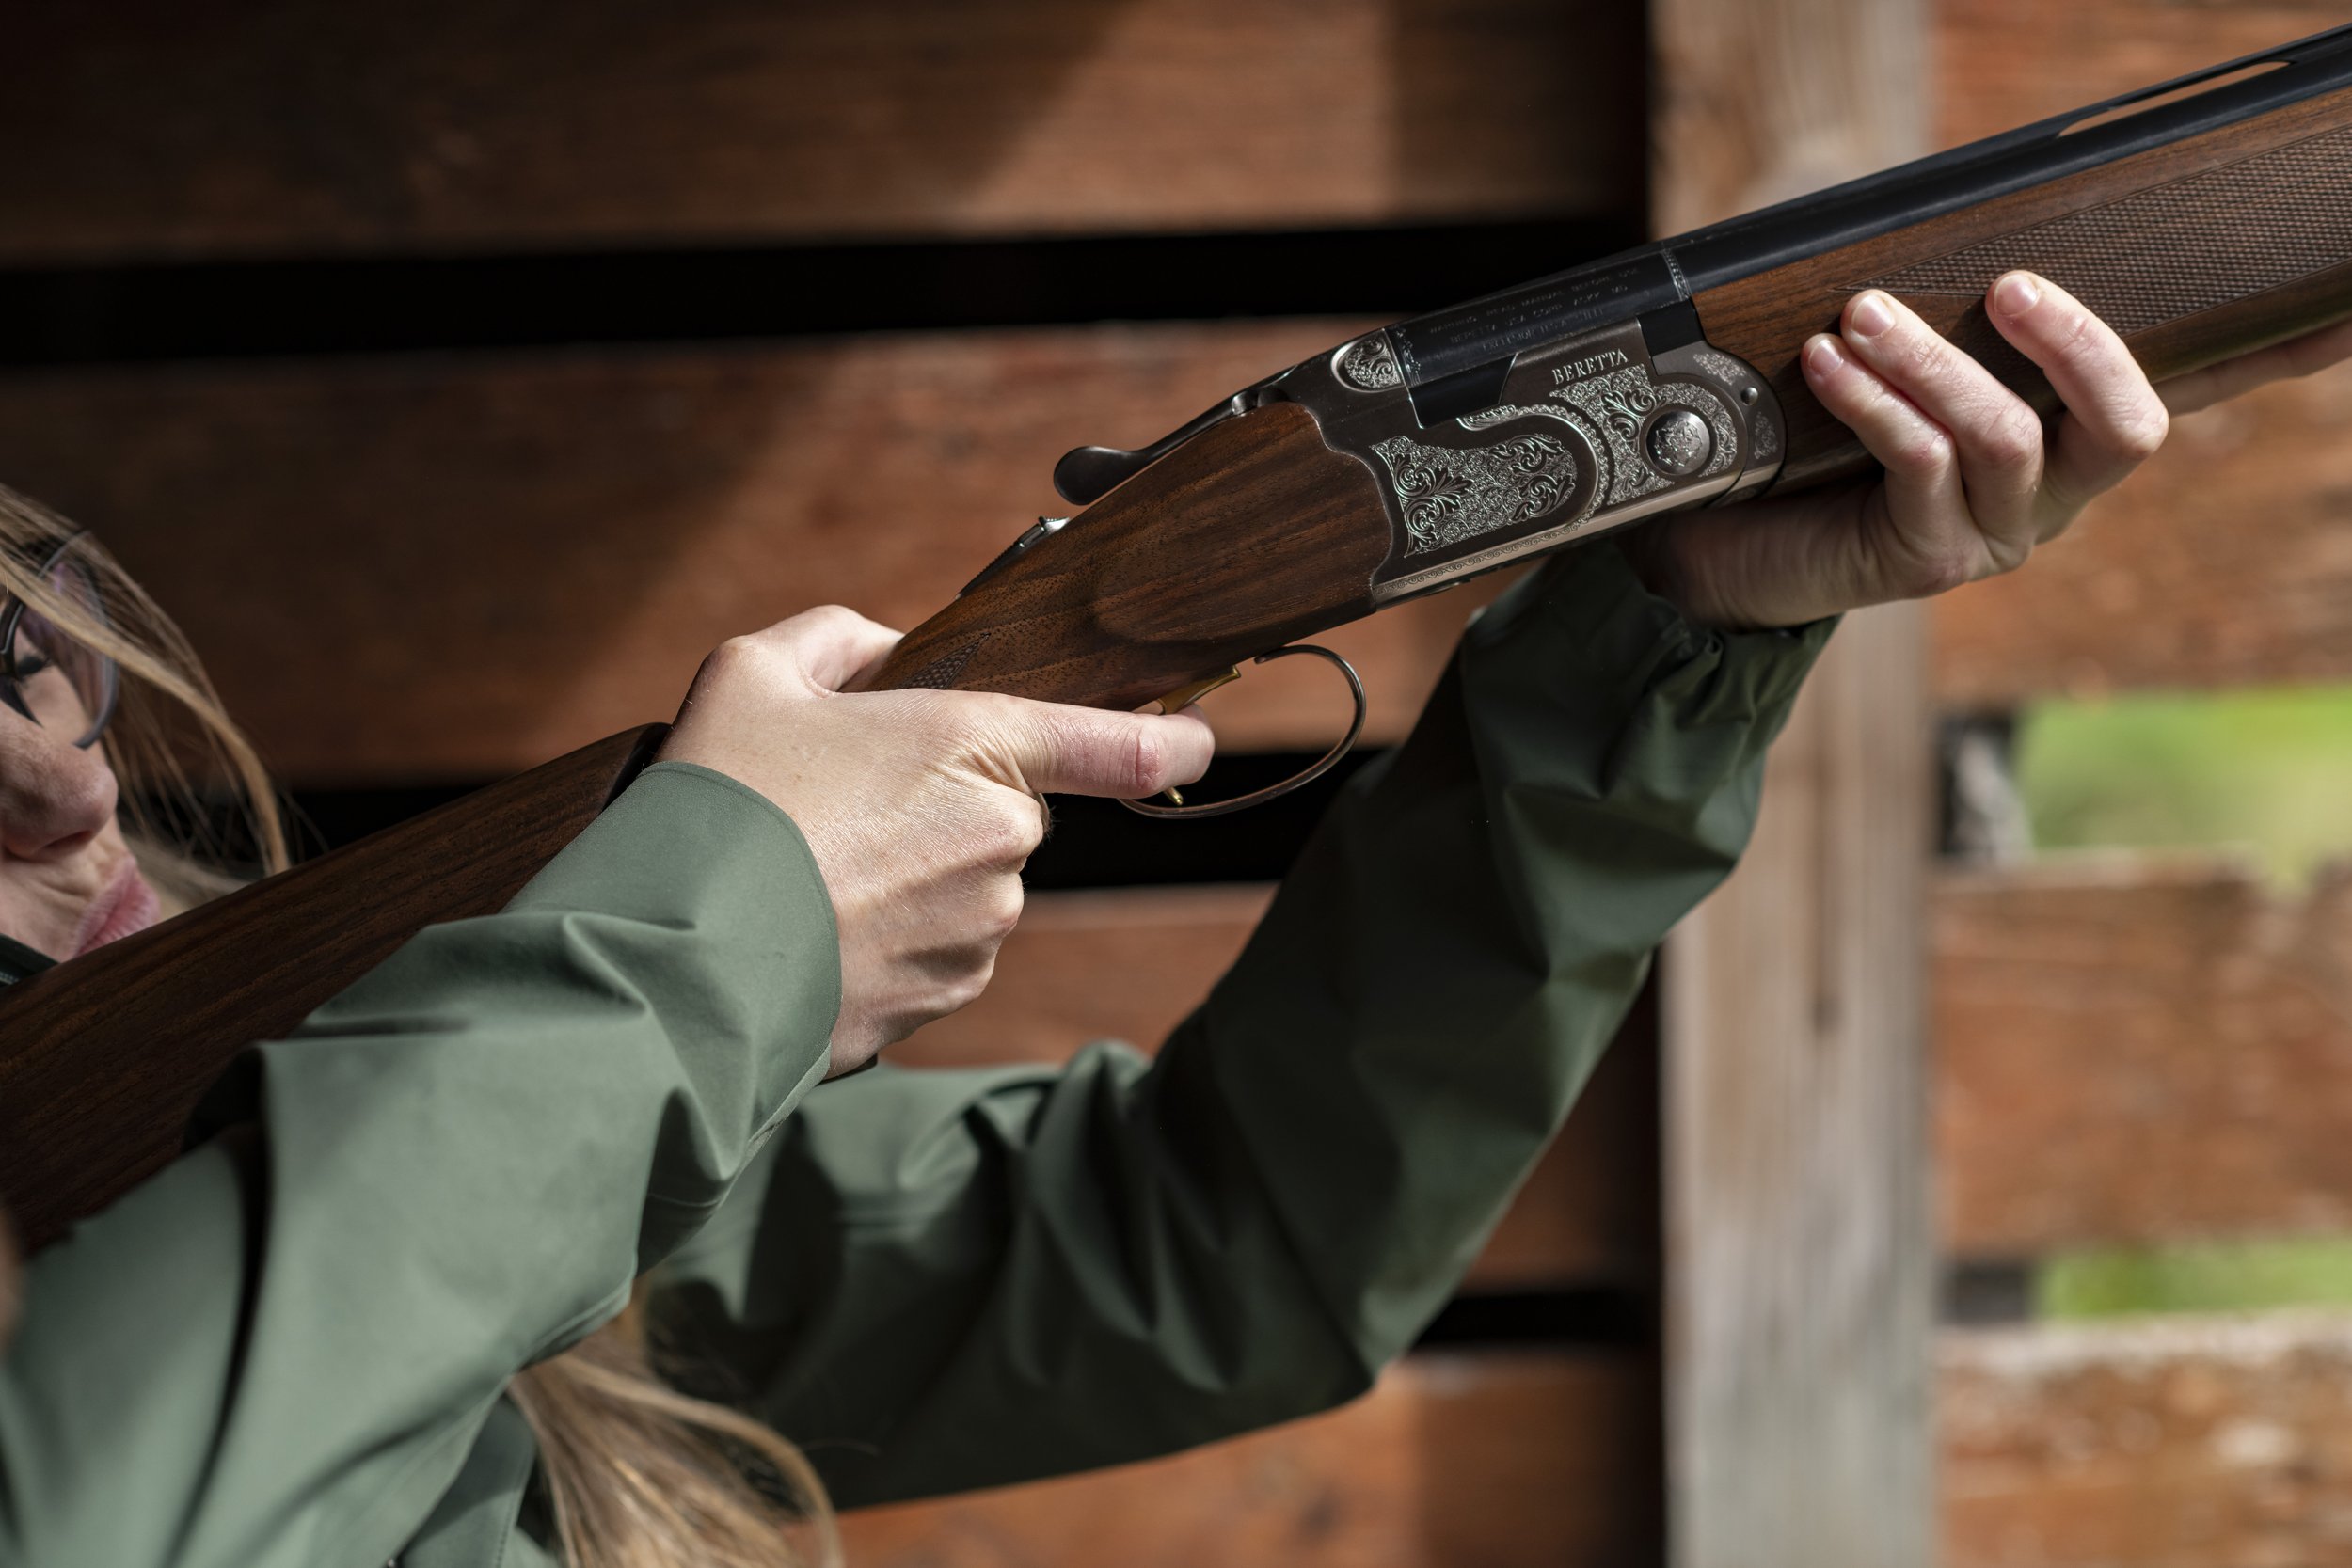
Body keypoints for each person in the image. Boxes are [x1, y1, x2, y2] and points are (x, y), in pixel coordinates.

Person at [0, 277, 2344, 1568]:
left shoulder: (308, 1140)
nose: (71, 768)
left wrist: (1667, 632)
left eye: (28, 645)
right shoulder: (460, 1120)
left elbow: (1211, 1245)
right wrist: (712, 933)